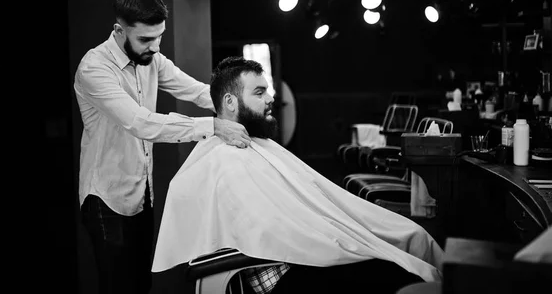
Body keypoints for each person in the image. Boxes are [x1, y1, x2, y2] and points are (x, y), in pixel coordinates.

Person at [152, 56, 444, 293]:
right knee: (392, 273)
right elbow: (267, 230)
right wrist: (329, 237)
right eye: (259, 92)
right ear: (230, 102)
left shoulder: (253, 147)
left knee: (397, 253)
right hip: (283, 275)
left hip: (299, 259)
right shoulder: (224, 160)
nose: (270, 99)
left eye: (267, 90)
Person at [73, 0, 251, 294]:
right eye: (145, 39)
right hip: (106, 199)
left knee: (142, 285)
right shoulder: (94, 68)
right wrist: (216, 126)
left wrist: (239, 103)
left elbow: (195, 90)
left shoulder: (151, 57)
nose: (155, 47)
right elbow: (140, 123)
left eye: (160, 37)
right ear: (119, 31)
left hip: (142, 193)